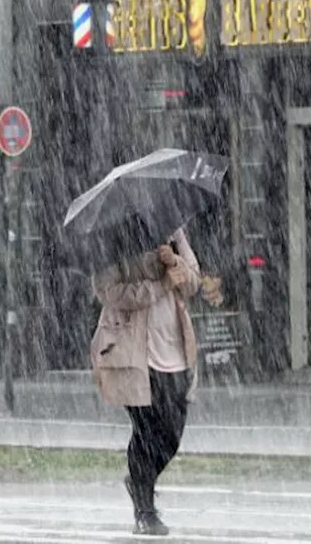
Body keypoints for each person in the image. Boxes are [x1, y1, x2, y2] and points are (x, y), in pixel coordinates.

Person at [90, 227, 201, 536]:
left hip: (175, 350)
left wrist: (174, 262)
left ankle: (141, 478)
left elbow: (192, 284)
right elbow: (109, 292)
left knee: (172, 432)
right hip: (133, 353)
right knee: (147, 430)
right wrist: (161, 284)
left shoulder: (174, 233)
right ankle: (145, 510)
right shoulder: (114, 238)